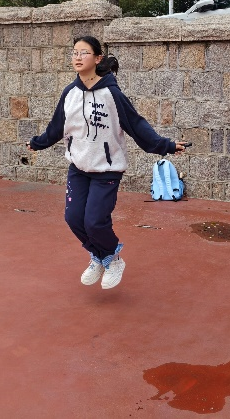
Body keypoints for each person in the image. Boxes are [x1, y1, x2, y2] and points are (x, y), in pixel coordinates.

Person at [27, 36, 187, 289]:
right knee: (73, 218)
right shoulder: (69, 93)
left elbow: (136, 125)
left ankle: (113, 258)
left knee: (94, 221)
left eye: (84, 53)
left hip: (107, 169)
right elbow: (57, 127)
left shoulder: (112, 94)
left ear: (97, 58)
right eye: (74, 53)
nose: (78, 57)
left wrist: (165, 145)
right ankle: (99, 256)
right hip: (79, 168)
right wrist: (38, 143)